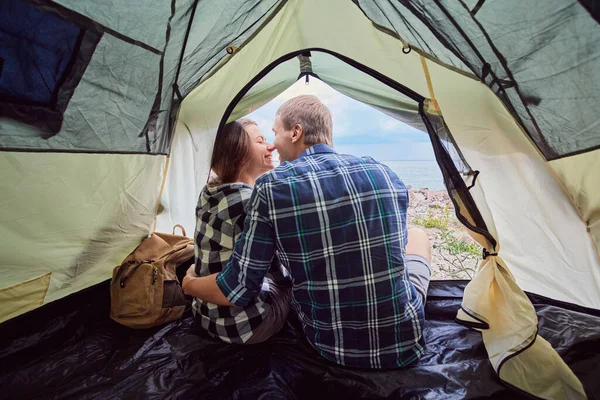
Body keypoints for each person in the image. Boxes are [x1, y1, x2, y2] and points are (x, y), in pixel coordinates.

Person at [184, 96, 431, 369]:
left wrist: (190, 284)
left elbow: (239, 288)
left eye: (275, 133)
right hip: (407, 339)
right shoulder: (384, 173)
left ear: (296, 132)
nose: (272, 145)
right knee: (418, 236)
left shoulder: (271, 188)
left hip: (329, 345)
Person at [182, 119, 291, 344]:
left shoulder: (210, 191)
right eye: (261, 141)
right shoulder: (248, 202)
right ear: (239, 153)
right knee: (294, 283)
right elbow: (276, 272)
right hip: (243, 327)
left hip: (205, 315)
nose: (270, 146)